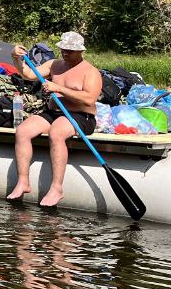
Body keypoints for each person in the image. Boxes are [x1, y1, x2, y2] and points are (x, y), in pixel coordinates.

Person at [6, 31, 102, 207]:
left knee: (57, 132)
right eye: (63, 49)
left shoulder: (91, 72)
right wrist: (16, 58)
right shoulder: (54, 64)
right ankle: (23, 181)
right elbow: (27, 74)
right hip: (54, 112)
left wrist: (59, 88)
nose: (65, 53)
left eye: (70, 51)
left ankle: (57, 188)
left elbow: (89, 99)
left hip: (82, 116)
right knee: (23, 131)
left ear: (81, 51)